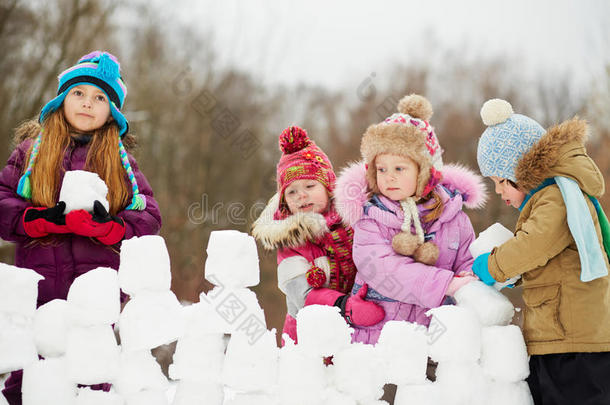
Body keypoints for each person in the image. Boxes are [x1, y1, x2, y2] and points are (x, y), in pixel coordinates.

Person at [0, 51, 161, 404]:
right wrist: (38, 220)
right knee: (31, 381)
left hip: (95, 300)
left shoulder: (121, 164)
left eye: (99, 98)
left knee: (91, 380)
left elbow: (149, 217)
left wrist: (110, 228)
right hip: (39, 293)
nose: (88, 103)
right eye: (79, 93)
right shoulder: (30, 154)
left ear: (111, 111)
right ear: (62, 99)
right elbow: (3, 204)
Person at [472, 98, 610, 405]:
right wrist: (516, 277)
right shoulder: (555, 198)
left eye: (500, 181)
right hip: (560, 338)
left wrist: (490, 266)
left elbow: (531, 246)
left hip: (573, 344)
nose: (498, 192)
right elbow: (548, 260)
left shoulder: (556, 199)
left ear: (520, 171)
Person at [334, 94, 487, 345]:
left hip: (433, 341)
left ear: (425, 172)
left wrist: (470, 279)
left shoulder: (454, 218)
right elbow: (383, 270)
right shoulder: (370, 218)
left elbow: (467, 264)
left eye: (399, 169)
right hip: (379, 341)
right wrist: (446, 284)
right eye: (381, 169)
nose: (389, 177)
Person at [252, 126, 384, 344]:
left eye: (310, 185)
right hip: (308, 337)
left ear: (329, 185)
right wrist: (346, 306)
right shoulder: (291, 241)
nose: (301, 195)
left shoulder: (353, 220)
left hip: (359, 331)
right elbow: (301, 295)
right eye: (291, 191)